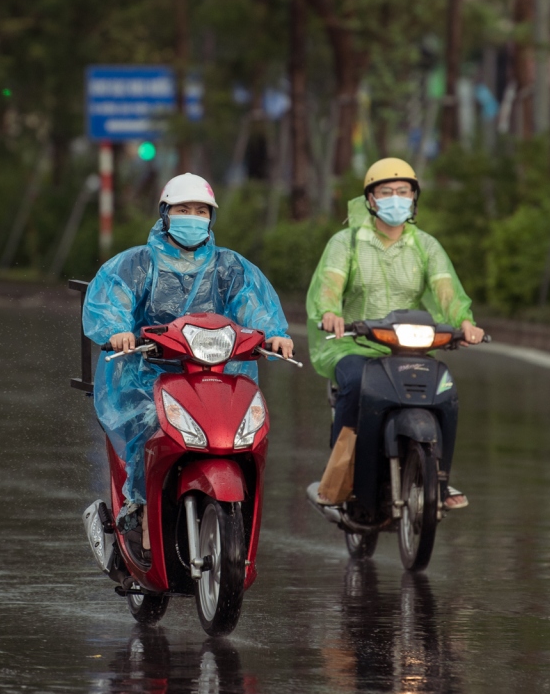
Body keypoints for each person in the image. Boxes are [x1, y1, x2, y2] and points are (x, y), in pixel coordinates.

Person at [82, 173, 293, 541]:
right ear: (165, 213)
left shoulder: (229, 267)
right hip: (146, 376)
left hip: (214, 374)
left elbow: (254, 304)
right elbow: (111, 301)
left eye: (200, 211)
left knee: (239, 430)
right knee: (151, 423)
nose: (192, 217)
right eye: (183, 209)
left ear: (211, 218)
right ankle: (140, 506)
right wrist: (117, 331)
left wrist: (274, 335)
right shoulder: (137, 264)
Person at [305, 158, 483, 509]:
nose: (395, 198)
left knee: (445, 391)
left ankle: (441, 480)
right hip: (353, 344)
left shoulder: (426, 246)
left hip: (407, 348)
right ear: (370, 199)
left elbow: (446, 288)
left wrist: (464, 321)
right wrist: (330, 313)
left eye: (403, 191)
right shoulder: (348, 242)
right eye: (386, 192)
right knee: (356, 384)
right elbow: (330, 282)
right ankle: (342, 473)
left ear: (414, 199)